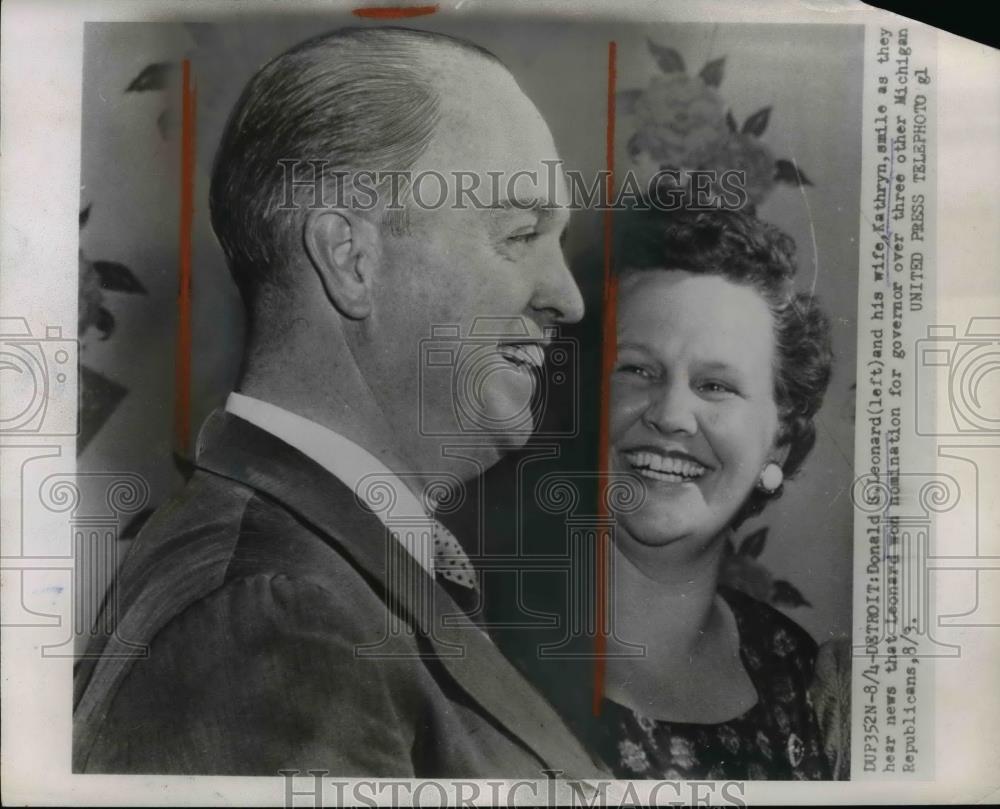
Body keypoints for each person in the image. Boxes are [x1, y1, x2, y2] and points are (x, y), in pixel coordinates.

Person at [72, 26, 603, 778]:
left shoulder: (327, 569)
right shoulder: (278, 618)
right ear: (351, 259)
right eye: (520, 233)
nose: (568, 299)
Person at [585, 207, 842, 779]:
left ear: (778, 444)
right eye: (636, 371)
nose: (672, 415)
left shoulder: (803, 681)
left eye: (717, 385)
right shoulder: (472, 637)